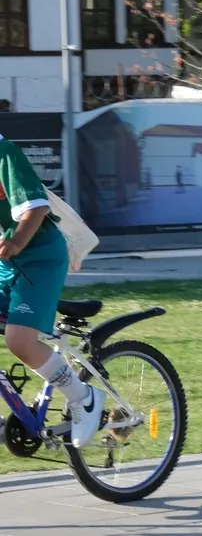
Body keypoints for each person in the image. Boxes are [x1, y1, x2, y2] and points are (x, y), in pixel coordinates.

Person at [0, 137, 105, 447]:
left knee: (19, 340)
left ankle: (83, 397)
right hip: (7, 260)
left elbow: (37, 207)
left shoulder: (4, 153)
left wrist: (17, 242)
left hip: (39, 259)